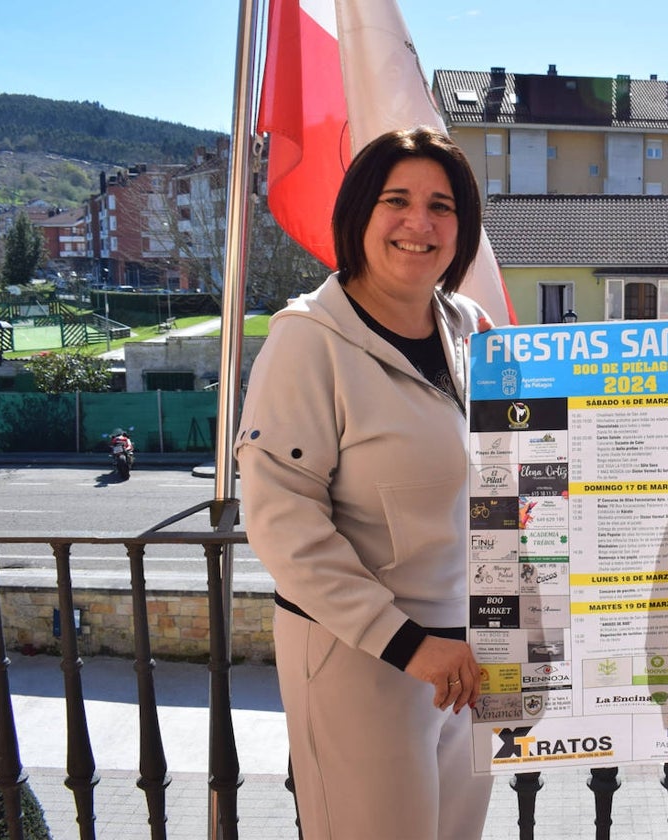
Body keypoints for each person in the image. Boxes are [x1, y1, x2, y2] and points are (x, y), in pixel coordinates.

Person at [235, 126, 494, 839]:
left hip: (471, 659)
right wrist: (407, 644)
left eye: (442, 206)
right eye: (397, 200)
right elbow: (283, 522)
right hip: (364, 660)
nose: (421, 223)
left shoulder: (470, 326)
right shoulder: (306, 339)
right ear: (359, 214)